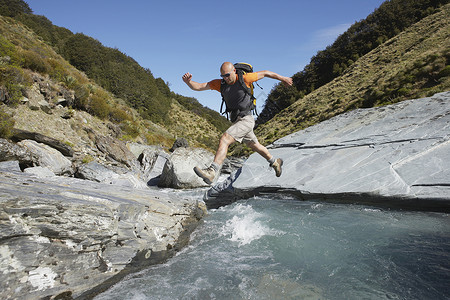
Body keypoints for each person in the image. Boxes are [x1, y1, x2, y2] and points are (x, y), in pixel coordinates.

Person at [182, 62, 293, 184]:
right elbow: (199, 86)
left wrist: (283, 78)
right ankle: (275, 162)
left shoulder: (245, 78)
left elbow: (266, 73)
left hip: (246, 120)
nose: (226, 78)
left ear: (234, 71)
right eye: (223, 75)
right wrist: (188, 82)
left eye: (228, 75)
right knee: (254, 145)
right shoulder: (220, 84)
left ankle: (212, 171)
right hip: (236, 121)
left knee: (225, 139)